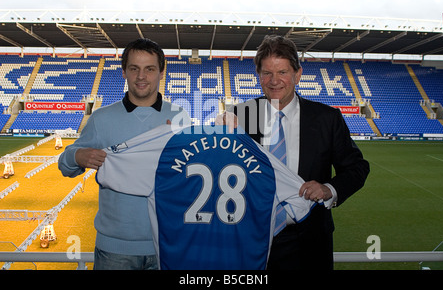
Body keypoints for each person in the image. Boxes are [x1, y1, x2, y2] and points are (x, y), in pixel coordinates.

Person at [219, 35, 370, 269]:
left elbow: (357, 168)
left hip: (310, 240)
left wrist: (329, 189)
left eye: (282, 72)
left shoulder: (326, 119)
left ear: (297, 74)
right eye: (267, 73)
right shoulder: (239, 117)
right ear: (258, 75)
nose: (274, 80)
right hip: (251, 238)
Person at [58, 38, 190, 270]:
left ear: (161, 73)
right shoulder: (101, 118)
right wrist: (78, 156)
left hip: (167, 244)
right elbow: (65, 165)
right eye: (134, 69)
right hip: (114, 250)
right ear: (124, 73)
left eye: (149, 69)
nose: (141, 76)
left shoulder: (180, 117)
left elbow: (190, 175)